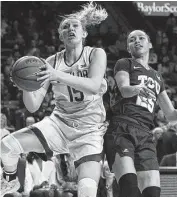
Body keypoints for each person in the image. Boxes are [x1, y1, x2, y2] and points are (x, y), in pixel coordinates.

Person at [1, 2, 108, 197]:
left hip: (89, 131)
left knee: (87, 190)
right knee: (6, 146)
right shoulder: (51, 62)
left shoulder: (95, 54)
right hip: (59, 125)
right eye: (65, 27)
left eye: (75, 25)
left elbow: (93, 86)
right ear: (60, 35)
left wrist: (56, 75)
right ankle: (9, 181)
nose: (70, 29)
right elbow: (33, 106)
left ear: (84, 33)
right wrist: (27, 86)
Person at [104, 29, 177, 197]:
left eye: (141, 38)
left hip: (145, 135)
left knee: (153, 193)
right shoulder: (124, 63)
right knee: (130, 189)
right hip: (122, 129)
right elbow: (124, 89)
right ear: (128, 47)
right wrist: (137, 89)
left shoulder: (157, 76)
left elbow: (171, 115)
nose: (137, 41)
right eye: (132, 40)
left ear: (150, 44)